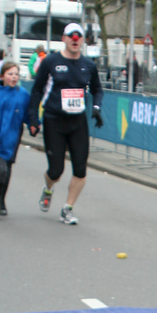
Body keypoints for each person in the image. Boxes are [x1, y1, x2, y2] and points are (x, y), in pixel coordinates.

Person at [28, 22, 103, 225]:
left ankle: (67, 209)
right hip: (54, 120)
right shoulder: (50, 61)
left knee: (80, 169)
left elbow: (97, 89)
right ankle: (48, 188)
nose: (75, 39)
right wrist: (33, 118)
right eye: (71, 36)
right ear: (64, 39)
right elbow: (37, 90)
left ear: (83, 40)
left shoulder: (89, 65)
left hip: (77, 121)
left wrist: (96, 108)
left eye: (78, 36)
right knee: (56, 171)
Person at [0, 62, 31, 217]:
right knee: (1, 168)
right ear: (2, 76)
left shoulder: (23, 94)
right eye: (10, 74)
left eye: (16, 74)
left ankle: (2, 201)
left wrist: (34, 125)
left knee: (7, 169)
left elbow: (28, 114)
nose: (14, 77)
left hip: (13, 137)